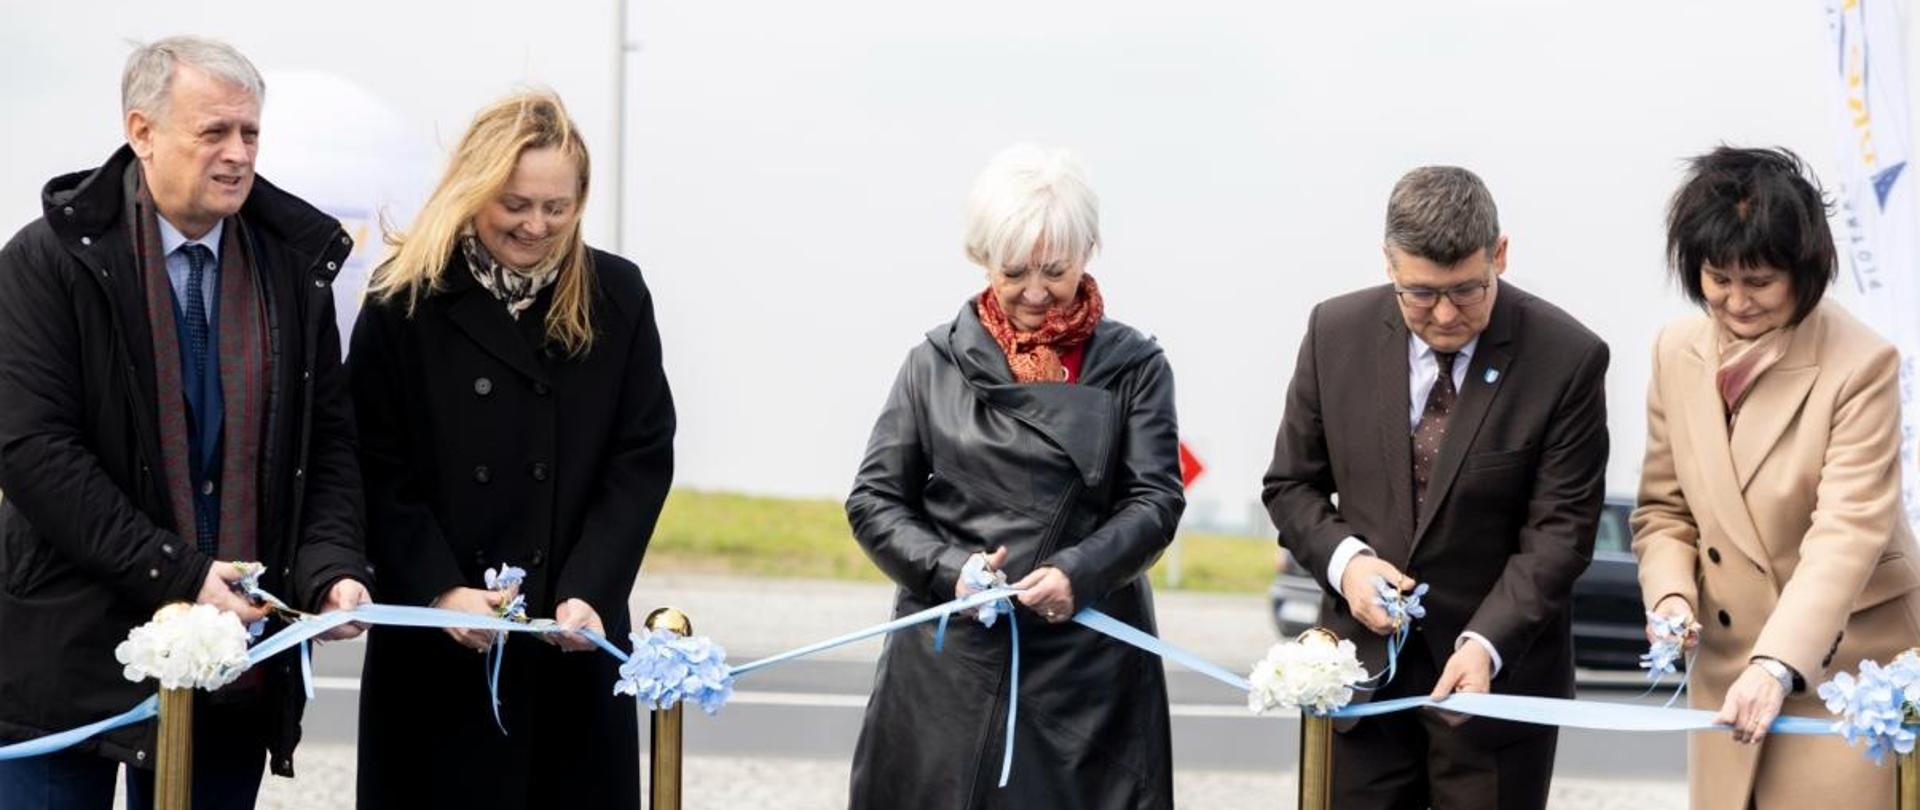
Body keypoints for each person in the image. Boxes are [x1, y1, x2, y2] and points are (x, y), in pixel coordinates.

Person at [0, 35, 374, 810]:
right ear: (141, 132)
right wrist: (180, 573)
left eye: (251, 132)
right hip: (61, 655)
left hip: (229, 664)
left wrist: (333, 568)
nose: (238, 154)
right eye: (214, 133)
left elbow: (328, 443)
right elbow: (33, 452)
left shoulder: (294, 267)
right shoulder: (46, 262)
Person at [348, 90, 675, 809]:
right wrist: (439, 589)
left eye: (557, 207)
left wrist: (592, 588)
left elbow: (641, 456)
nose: (536, 226)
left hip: (572, 646)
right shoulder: (403, 299)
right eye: (516, 205)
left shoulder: (617, 296)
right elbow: (374, 463)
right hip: (437, 653)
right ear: (475, 190)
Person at [844, 144, 1183, 809]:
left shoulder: (1134, 365)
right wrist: (950, 570)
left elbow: (1155, 500)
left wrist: (1077, 572)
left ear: (1088, 251)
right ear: (981, 257)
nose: (1035, 292)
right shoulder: (932, 363)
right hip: (949, 669)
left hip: (1088, 669)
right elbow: (875, 500)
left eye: (1055, 270)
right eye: (1014, 270)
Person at [1262, 166, 1609, 809]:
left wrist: (1486, 644)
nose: (1446, 315)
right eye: (1420, 294)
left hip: (1495, 692)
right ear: (1389, 263)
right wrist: (1349, 565)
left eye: (1467, 291)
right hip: (1360, 682)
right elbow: (1292, 486)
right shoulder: (1334, 334)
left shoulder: (1567, 358)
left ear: (1500, 254)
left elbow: (1559, 534)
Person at [1633, 145, 1920, 810]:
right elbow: (1664, 509)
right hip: (1727, 664)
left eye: (1759, 281)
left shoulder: (1861, 365)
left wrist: (1777, 662)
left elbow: (1846, 534)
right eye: (1717, 278)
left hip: (1845, 668)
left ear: (1805, 269)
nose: (1736, 301)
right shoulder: (1675, 350)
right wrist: (1672, 596)